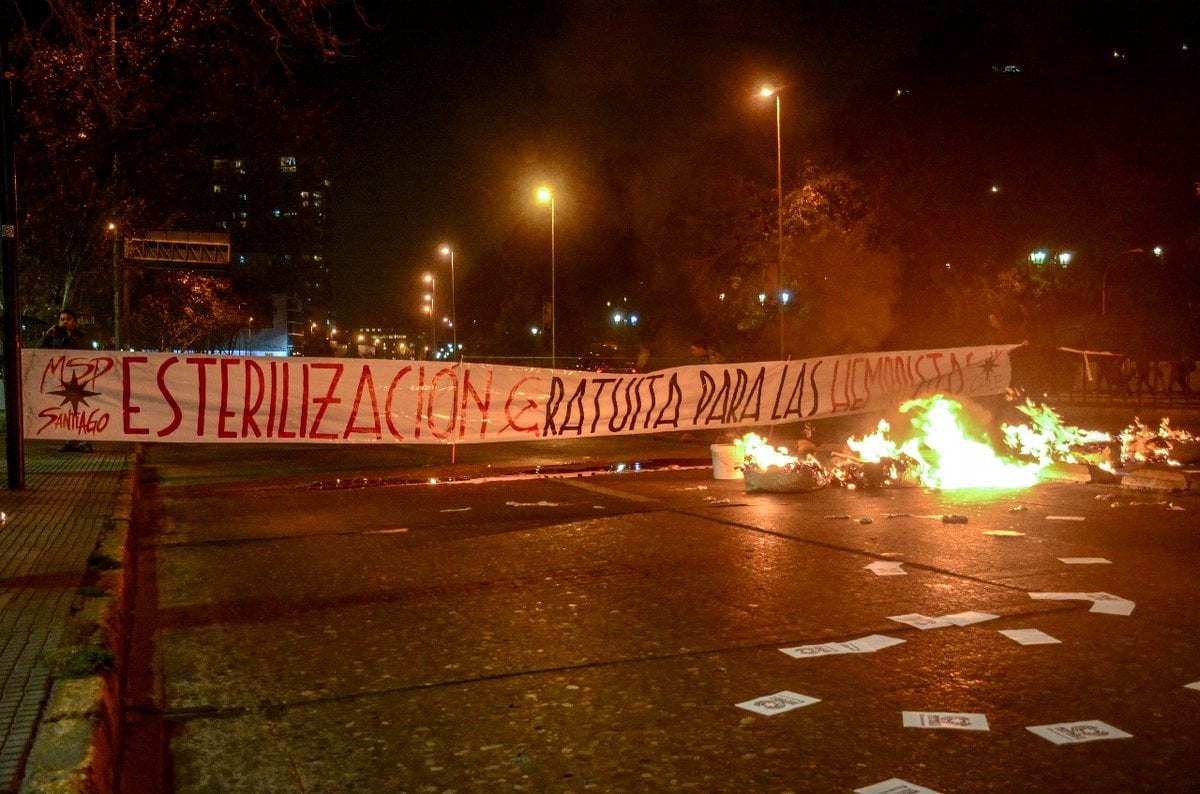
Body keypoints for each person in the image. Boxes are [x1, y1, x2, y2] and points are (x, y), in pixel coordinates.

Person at [39, 309, 93, 451]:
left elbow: (84, 349)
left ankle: (84, 442)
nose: (64, 321)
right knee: (66, 410)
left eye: (68, 319)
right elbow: (38, 351)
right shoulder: (53, 337)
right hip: (60, 378)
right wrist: (46, 337)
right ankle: (70, 441)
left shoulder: (80, 336)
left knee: (81, 409)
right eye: (62, 319)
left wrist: (68, 336)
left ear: (74, 323)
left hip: (79, 380)